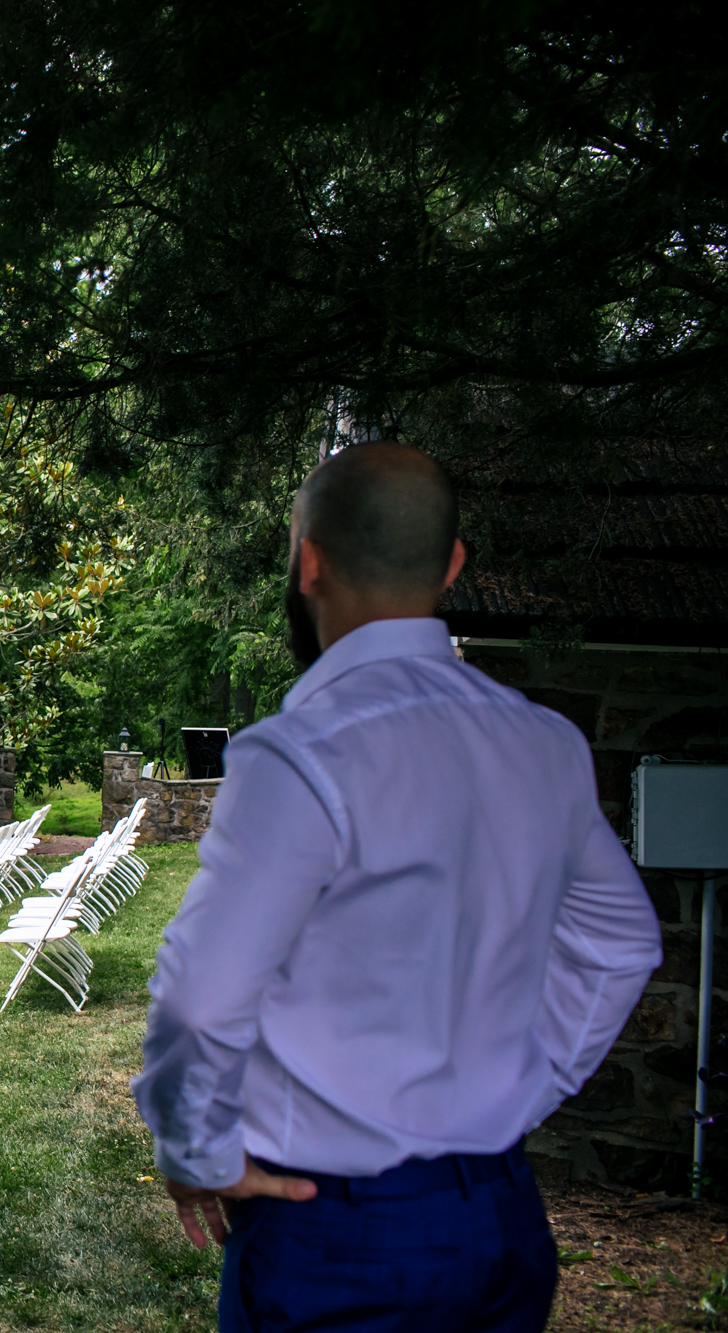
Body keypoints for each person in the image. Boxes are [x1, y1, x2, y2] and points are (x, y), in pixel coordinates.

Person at [131, 442, 662, 1331]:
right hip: (501, 1215)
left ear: (308, 562)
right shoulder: (546, 744)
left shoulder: (299, 753)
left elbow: (201, 999)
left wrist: (195, 1148)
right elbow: (621, 942)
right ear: (454, 566)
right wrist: (523, 1090)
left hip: (338, 1233)